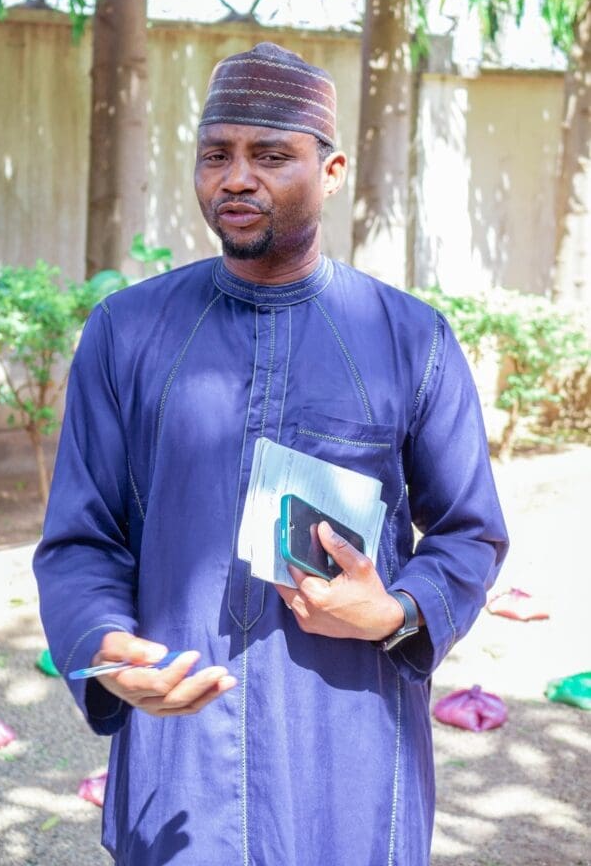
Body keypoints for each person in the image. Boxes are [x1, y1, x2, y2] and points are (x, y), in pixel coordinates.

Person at [33, 42, 508, 866]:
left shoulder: (409, 341)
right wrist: (105, 645)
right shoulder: (127, 333)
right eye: (216, 155)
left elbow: (470, 532)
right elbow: (81, 538)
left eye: (270, 155)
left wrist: (396, 610)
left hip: (349, 745)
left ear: (330, 171)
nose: (236, 178)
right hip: (180, 751)